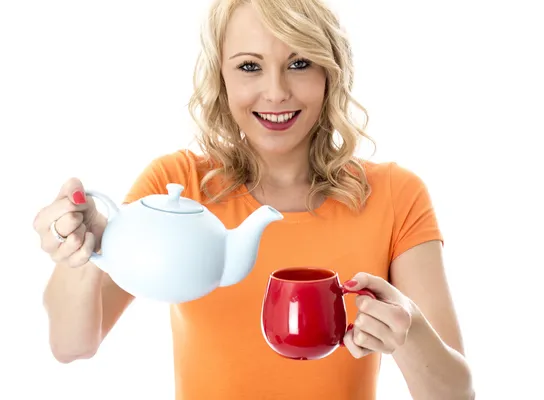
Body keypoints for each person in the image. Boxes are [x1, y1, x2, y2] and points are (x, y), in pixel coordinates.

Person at [32, 0, 474, 398]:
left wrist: (409, 332)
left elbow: (456, 394)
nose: (277, 91)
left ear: (329, 72)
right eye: (249, 67)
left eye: (299, 62)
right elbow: (72, 346)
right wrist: (80, 253)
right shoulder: (178, 182)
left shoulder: (396, 195)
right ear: (220, 77)